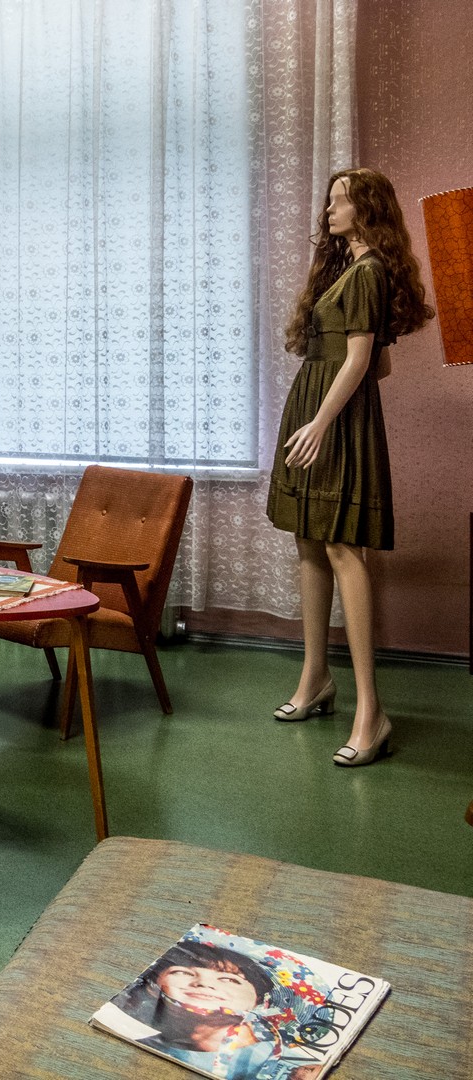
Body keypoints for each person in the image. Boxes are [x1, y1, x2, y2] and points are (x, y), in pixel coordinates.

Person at [266, 167, 434, 767]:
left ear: (366, 209)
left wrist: (323, 420)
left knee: (341, 547)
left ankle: (372, 713)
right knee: (310, 542)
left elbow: (361, 360)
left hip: (329, 419)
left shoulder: (366, 272)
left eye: (339, 201)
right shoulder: (352, 270)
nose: (329, 210)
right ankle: (316, 679)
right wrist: (325, 405)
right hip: (324, 411)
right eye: (330, 200)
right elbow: (378, 366)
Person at [107, 940, 281, 1079]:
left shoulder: (285, 1054)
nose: (204, 983)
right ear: (153, 987)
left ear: (261, 1000)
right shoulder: (139, 1047)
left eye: (229, 979)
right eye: (182, 972)